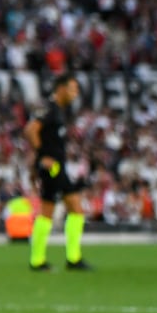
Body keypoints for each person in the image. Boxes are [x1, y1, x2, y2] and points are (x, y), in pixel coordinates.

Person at [23, 73, 92, 271]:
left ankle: (71, 258)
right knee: (51, 209)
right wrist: (42, 156)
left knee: (74, 207)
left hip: (57, 166)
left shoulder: (59, 111)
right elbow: (30, 130)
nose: (75, 93)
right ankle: (41, 260)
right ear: (60, 88)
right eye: (72, 88)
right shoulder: (50, 108)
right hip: (52, 167)